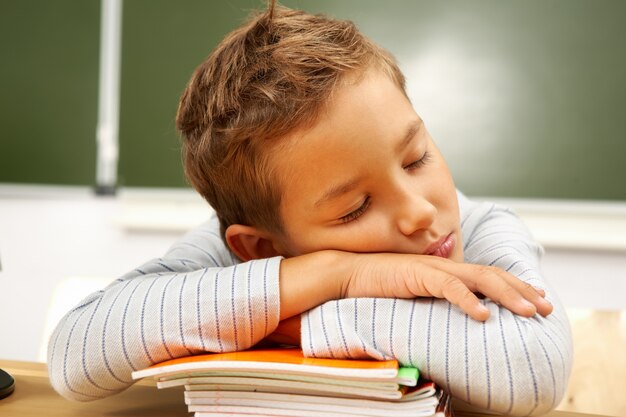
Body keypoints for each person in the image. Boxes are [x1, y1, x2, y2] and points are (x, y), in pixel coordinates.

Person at [48, 2, 572, 415]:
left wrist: (295, 323)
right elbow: (75, 353)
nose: (418, 212)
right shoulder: (225, 247)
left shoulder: (481, 228)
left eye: (416, 159)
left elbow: (531, 366)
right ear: (261, 248)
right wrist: (341, 274)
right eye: (355, 208)